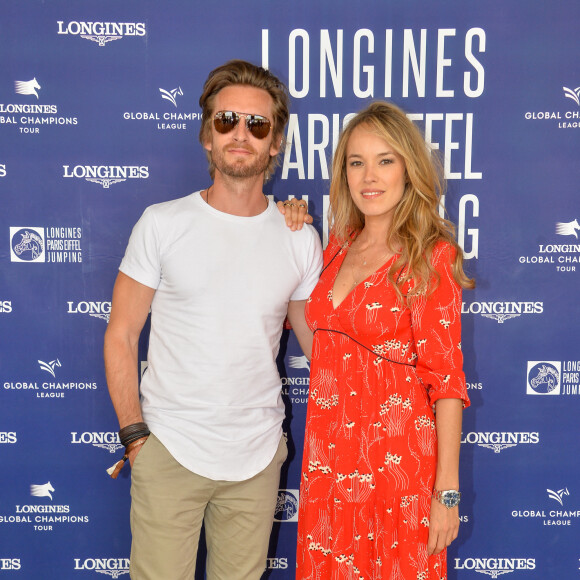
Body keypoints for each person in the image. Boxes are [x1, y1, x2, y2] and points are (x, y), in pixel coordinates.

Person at [103, 60, 322, 580]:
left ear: (275, 142)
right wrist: (136, 438)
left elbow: (318, 343)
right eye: (226, 121)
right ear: (207, 135)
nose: (240, 134)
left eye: (257, 124)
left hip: (257, 456)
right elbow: (121, 333)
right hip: (169, 449)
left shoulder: (299, 236)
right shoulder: (163, 224)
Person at [294, 101, 474, 579]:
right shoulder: (337, 244)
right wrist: (288, 224)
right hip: (327, 470)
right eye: (357, 162)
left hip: (398, 475)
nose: (369, 176)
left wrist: (446, 495)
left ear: (408, 169)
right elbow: (320, 333)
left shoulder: (431, 256)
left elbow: (448, 385)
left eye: (385, 160)